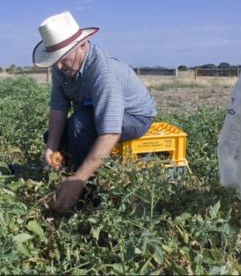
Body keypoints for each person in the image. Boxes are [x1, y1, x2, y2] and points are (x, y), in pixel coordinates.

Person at [32, 11, 156, 212]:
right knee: (54, 135)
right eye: (55, 60)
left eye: (63, 58)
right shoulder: (60, 67)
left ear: (82, 45)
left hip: (134, 117)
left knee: (80, 124)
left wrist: (79, 179)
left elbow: (110, 132)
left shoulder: (103, 72)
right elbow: (58, 108)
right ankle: (68, 176)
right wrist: (51, 146)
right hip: (93, 111)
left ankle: (88, 195)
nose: (59, 66)